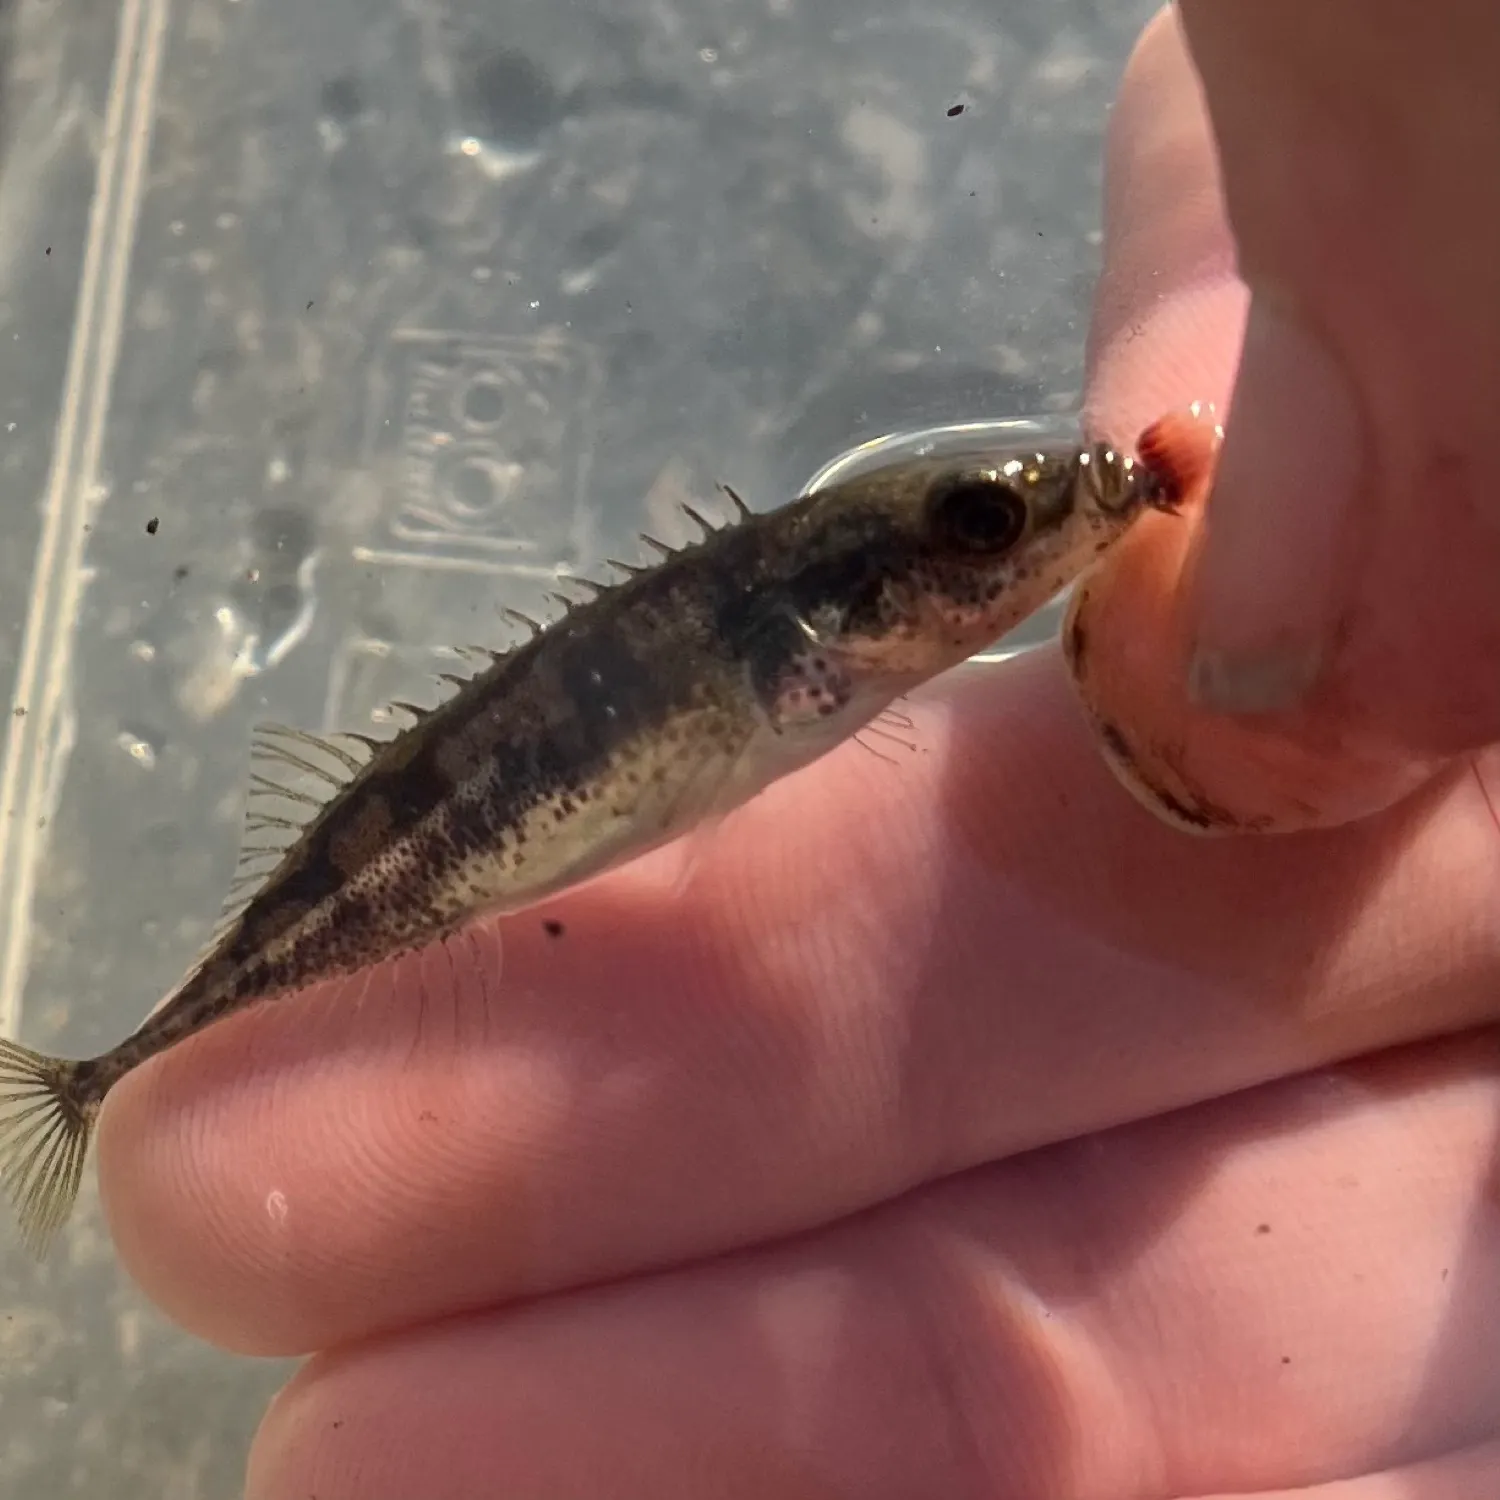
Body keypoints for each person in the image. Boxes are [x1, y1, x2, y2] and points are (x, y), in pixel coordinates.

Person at [98, 4, 1500, 1495]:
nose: (1036, 533)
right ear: (840, 606)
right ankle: (121, 1069)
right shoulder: (783, 646)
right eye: (984, 529)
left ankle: (121, 1066)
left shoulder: (815, 638)